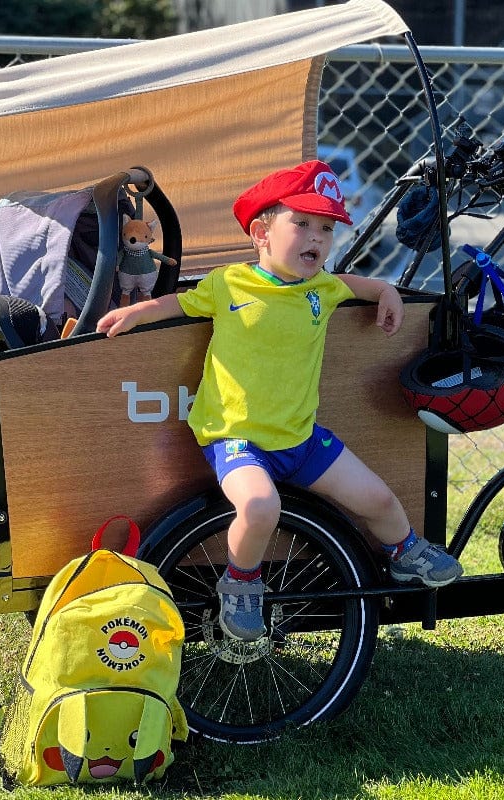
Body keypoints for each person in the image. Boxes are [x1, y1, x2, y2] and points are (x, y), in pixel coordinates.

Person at [97, 160, 463, 641]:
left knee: (378, 497)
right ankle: (241, 584)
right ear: (261, 234)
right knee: (260, 506)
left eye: (327, 229)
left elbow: (359, 285)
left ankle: (405, 554)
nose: (317, 237)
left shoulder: (323, 288)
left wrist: (386, 292)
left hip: (302, 440)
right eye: (303, 224)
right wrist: (139, 311)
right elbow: (179, 304)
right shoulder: (229, 283)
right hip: (238, 441)